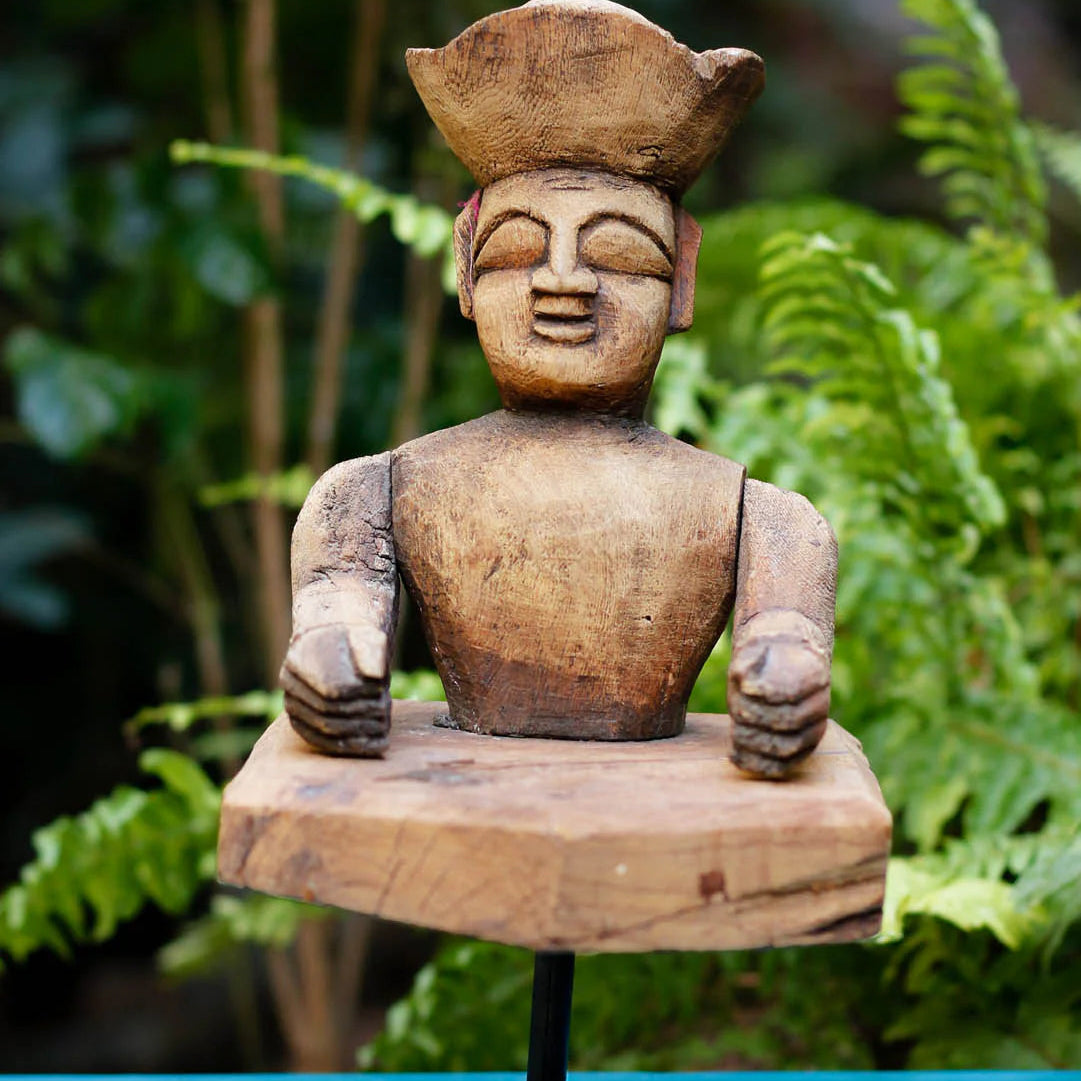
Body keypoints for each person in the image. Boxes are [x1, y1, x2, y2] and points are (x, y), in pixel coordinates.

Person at [279, 0, 837, 779]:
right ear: (465, 268)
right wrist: (331, 660)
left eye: (615, 251)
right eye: (518, 248)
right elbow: (338, 599)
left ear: (682, 281)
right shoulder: (374, 490)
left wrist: (784, 671)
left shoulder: (763, 518)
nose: (564, 282)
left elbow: (785, 630)